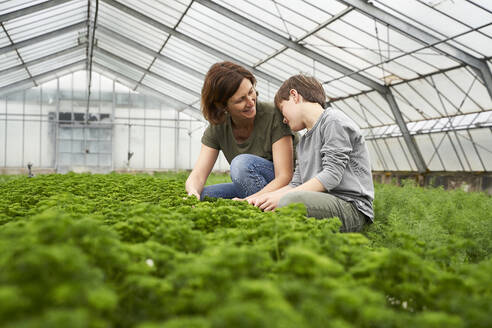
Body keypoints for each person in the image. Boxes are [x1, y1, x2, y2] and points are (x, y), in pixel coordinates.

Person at [248, 75, 374, 233]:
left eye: (282, 110)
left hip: (351, 208)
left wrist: (281, 199)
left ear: (294, 96)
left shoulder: (333, 121)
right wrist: (256, 200)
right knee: (278, 204)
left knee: (289, 201)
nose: (284, 120)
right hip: (322, 203)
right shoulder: (304, 142)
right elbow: (295, 184)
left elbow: (332, 174)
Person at [185, 61, 295, 200]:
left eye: (251, 92)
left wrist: (247, 201)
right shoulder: (218, 127)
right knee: (205, 196)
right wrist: (193, 193)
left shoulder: (274, 115)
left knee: (241, 164)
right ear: (223, 105)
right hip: (255, 187)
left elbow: (285, 176)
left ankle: (263, 210)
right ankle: (257, 203)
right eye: (240, 100)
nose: (250, 102)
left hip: (288, 187)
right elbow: (198, 175)